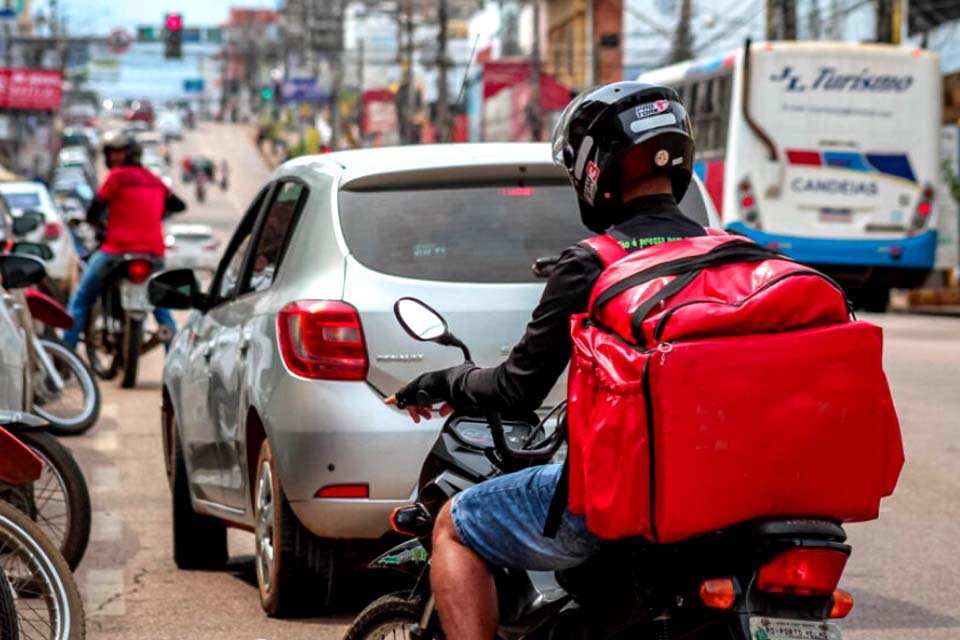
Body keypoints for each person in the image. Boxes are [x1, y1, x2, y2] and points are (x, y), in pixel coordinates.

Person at [386, 82, 705, 640]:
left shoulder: (592, 264)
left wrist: (442, 380)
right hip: (725, 494)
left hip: (625, 500)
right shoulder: (731, 256)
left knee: (455, 527)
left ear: (594, 167)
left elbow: (517, 388)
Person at [62, 131, 186, 350]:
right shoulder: (153, 179)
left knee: (81, 300)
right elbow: (179, 205)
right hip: (154, 254)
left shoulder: (116, 177)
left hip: (116, 251)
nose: (114, 158)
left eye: (118, 153)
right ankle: (175, 369)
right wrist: (154, 211)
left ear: (130, 154)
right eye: (112, 153)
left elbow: (95, 209)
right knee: (162, 309)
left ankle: (63, 359)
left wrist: (93, 222)